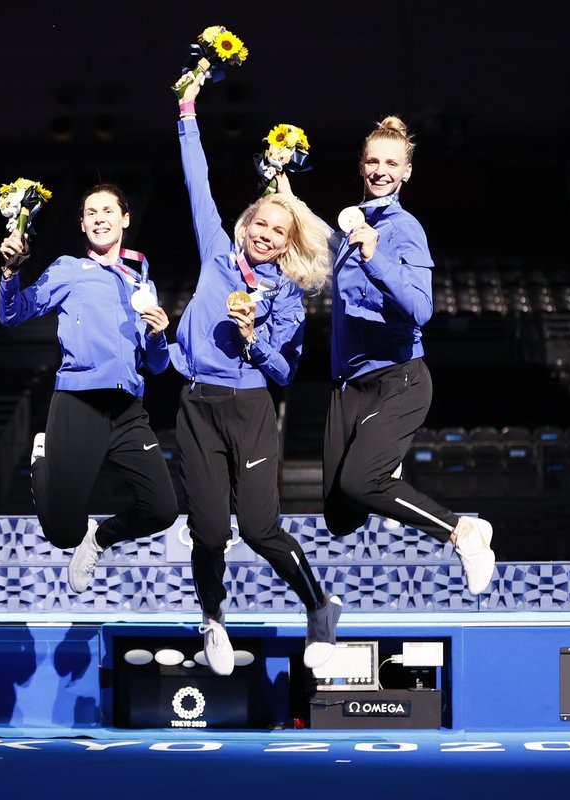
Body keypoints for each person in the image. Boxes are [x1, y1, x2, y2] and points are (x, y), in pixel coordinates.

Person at [173, 75, 340, 677]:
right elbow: (198, 181)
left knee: (259, 526)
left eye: (279, 230)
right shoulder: (217, 252)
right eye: (259, 223)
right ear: (245, 225)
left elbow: (286, 372)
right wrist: (188, 109)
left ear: (288, 242)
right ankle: (213, 620)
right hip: (195, 404)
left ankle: (319, 607)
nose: (265, 234)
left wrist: (253, 340)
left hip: (248, 408)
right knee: (209, 528)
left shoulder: (288, 296)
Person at [323, 115, 496, 595]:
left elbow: (421, 309)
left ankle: (464, 532)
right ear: (360, 166)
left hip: (398, 379)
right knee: (340, 517)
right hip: (349, 387)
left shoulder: (403, 229)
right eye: (373, 161)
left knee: (362, 483)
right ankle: (384, 467)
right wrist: (282, 188)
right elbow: (320, 236)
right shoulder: (352, 224)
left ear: (406, 173)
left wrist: (374, 257)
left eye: (391, 163)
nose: (380, 170)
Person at [0, 184, 179, 592]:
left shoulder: (139, 280)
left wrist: (158, 335)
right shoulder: (67, 270)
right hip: (79, 402)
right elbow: (11, 315)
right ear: (82, 224)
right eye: (91, 212)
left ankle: (98, 539)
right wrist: (10, 272)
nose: (99, 218)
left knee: (163, 509)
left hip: (129, 408)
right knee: (62, 533)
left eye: (107, 210)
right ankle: (42, 459)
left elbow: (157, 364)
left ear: (124, 218)